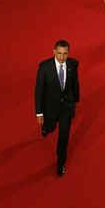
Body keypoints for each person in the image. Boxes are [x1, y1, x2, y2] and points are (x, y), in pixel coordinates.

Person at [35, 39, 80, 176]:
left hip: (66, 108)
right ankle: (46, 128)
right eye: (59, 53)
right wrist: (39, 113)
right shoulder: (44, 67)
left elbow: (75, 84)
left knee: (64, 136)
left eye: (65, 54)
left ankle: (60, 163)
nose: (62, 57)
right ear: (54, 51)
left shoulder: (73, 64)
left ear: (68, 53)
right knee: (50, 127)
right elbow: (39, 91)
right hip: (50, 108)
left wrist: (75, 102)